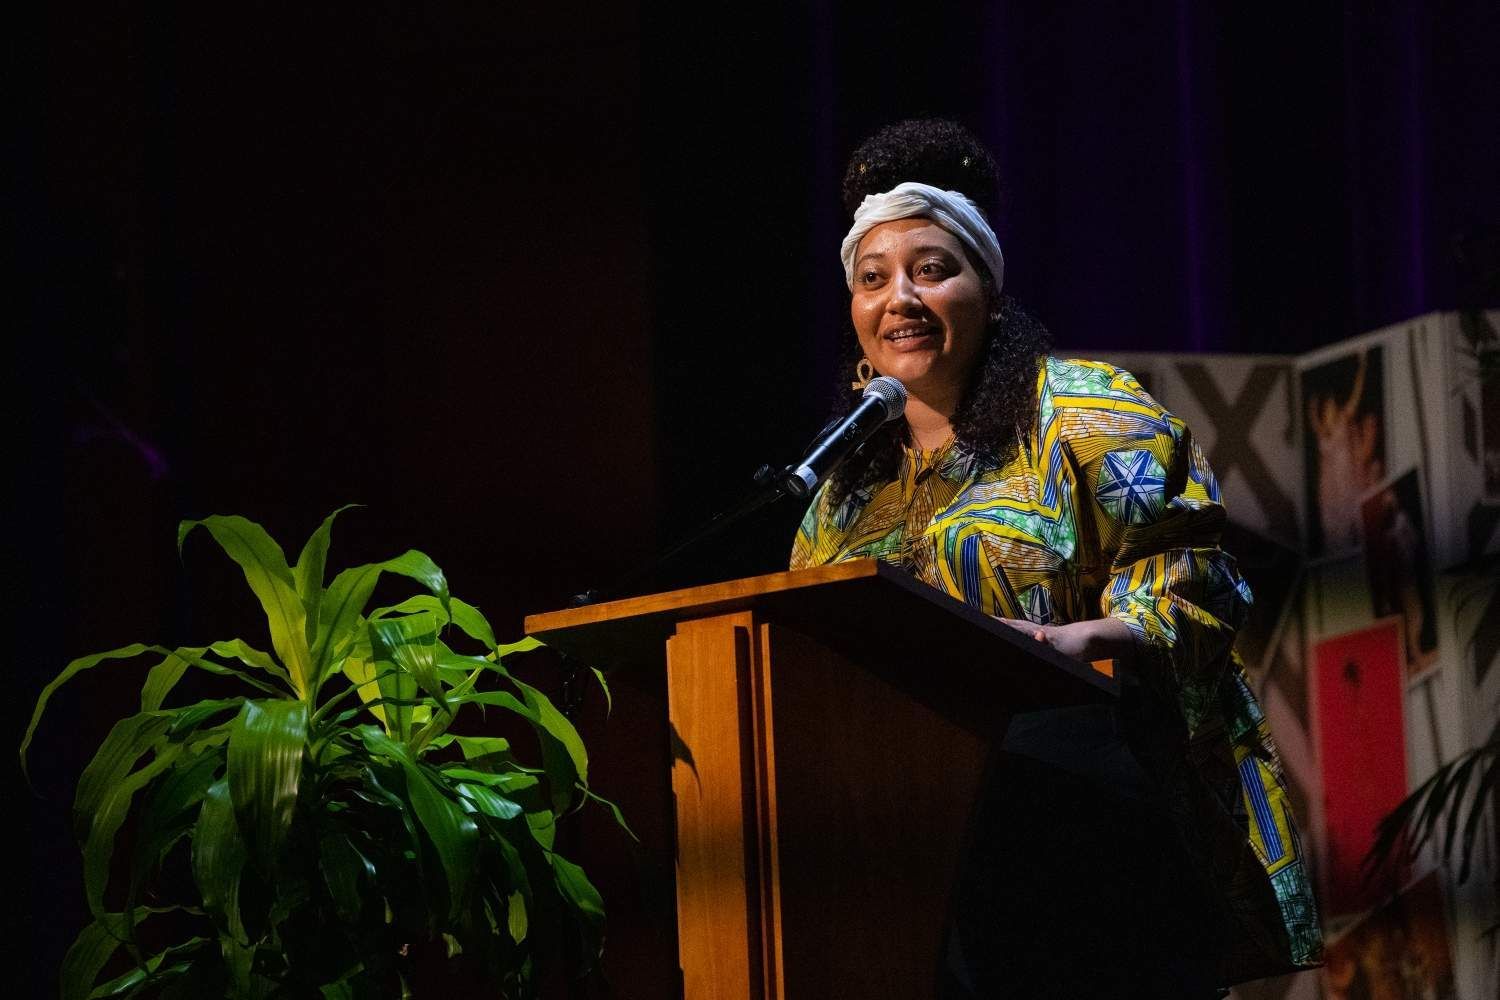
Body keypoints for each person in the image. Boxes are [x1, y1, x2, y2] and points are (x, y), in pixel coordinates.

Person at [789, 119, 1322, 997]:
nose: (901, 300)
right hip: (912, 838)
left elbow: (1190, 580)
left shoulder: (1079, 410)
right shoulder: (844, 487)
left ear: (990, 293)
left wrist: (1079, 642)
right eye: (872, 279)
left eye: (933, 270)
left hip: (1086, 802)